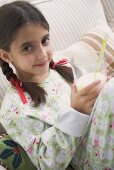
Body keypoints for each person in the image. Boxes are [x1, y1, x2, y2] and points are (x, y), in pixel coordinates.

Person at [0, 1, 113, 170]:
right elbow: (47, 163)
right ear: (6, 55)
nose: (42, 54)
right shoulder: (14, 108)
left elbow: (100, 103)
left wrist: (103, 85)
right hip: (89, 160)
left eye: (45, 41)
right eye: (28, 48)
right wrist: (77, 112)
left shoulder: (65, 66)